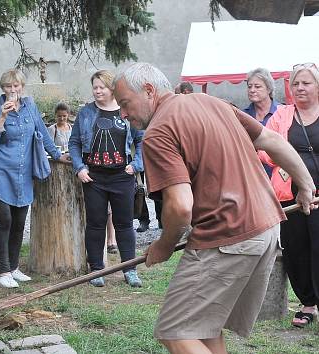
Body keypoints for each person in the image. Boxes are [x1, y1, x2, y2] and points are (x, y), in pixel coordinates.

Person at [113, 62, 315, 354]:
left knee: (174, 330)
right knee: (202, 328)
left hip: (229, 235)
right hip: (267, 228)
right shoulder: (211, 102)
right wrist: (306, 184)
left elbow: (181, 207)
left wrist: (164, 245)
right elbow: (271, 140)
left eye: (124, 103)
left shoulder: (157, 132)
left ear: (148, 90)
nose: (123, 113)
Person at [0, 69, 68, 288]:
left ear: (22, 86)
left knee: (19, 223)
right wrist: (2, 117)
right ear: (2, 88)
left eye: (16, 86)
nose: (12, 90)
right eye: (8, 87)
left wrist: (59, 155)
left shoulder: (30, 107)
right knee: (5, 220)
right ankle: (3, 272)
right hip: (1, 173)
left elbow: (41, 133)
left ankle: (13, 268)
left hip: (23, 174)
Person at [69, 70, 144, 288]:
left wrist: (136, 164)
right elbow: (74, 143)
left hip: (122, 176)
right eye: (95, 87)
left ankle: (129, 269)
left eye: (102, 86)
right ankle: (96, 270)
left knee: (124, 224)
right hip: (94, 177)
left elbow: (142, 140)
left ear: (112, 89)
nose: (98, 90)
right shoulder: (86, 113)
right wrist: (79, 167)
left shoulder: (126, 111)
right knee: (95, 224)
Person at [259, 63, 319, 328]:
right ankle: (307, 303)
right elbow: (262, 147)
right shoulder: (282, 115)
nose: (300, 88)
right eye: (296, 83)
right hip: (289, 198)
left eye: (306, 83)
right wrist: (280, 163)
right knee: (296, 250)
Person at [245, 68, 281, 177]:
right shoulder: (242, 116)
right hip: (252, 175)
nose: (252, 90)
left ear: (269, 89)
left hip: (279, 177)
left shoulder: (282, 113)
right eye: (249, 86)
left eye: (257, 86)